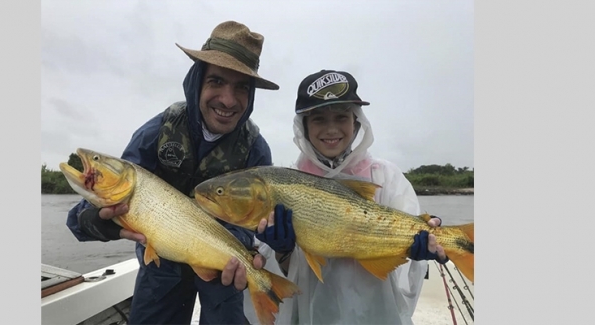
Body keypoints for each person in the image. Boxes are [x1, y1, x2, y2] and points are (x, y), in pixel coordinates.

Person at [65, 21, 279, 325]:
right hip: (159, 268)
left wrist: (243, 247)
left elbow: (253, 223)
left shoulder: (256, 150)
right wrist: (99, 222)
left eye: (241, 87)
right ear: (197, 81)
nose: (228, 100)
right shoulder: (156, 133)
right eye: (217, 81)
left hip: (223, 272)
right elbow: (85, 216)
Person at [252, 69, 450, 325]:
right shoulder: (286, 185)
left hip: (378, 314)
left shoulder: (385, 177)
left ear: (356, 122)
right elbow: (281, 278)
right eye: (319, 119)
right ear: (304, 126)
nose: (331, 128)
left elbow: (406, 263)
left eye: (341, 117)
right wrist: (282, 251)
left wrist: (422, 248)